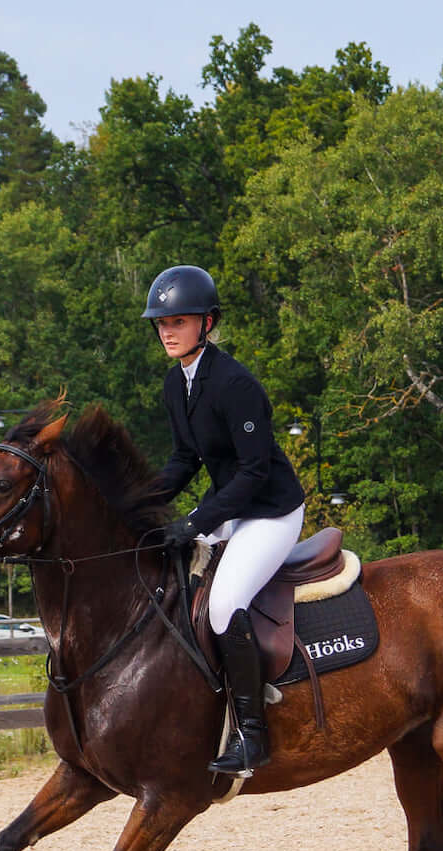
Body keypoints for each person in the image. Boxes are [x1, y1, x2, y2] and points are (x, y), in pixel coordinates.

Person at [143, 264, 307, 776]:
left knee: (224, 604)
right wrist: (137, 502)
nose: (167, 331)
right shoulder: (178, 384)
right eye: (161, 323)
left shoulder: (236, 384)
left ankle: (252, 736)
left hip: (271, 510)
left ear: (207, 324)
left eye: (179, 321)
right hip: (232, 506)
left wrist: (195, 523)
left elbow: (256, 473)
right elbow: (184, 460)